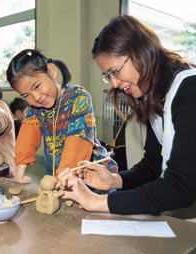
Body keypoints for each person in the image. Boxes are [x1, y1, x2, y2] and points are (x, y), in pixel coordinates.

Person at [57, 15, 196, 218]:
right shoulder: (155, 96)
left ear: (140, 52)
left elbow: (180, 187)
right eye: (108, 76)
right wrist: (113, 180)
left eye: (115, 72)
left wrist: (96, 201)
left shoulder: (189, 90)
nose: (114, 84)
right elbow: (153, 165)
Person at [6, 49, 117, 184]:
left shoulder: (78, 97)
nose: (36, 97)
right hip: (59, 174)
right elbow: (27, 134)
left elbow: (78, 139)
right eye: (26, 95)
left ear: (51, 71)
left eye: (36, 86)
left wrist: (62, 177)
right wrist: (19, 170)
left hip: (90, 175)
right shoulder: (36, 109)